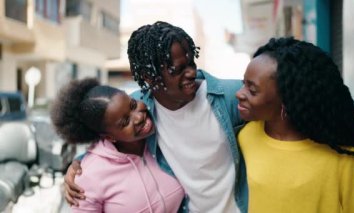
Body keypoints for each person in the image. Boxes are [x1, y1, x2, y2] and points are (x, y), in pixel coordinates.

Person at [63, 21, 248, 212]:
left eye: (191, 62)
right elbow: (108, 138)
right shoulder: (141, 108)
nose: (191, 72)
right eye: (177, 70)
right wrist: (77, 165)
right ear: (149, 77)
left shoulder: (229, 97)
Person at [236, 37, 354, 212]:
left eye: (252, 90)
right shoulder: (246, 136)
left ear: (287, 100)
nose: (239, 94)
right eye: (243, 83)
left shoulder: (342, 156)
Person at [50, 78, 185, 212]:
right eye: (125, 122)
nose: (138, 117)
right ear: (109, 137)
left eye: (133, 105)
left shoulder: (161, 133)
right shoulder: (88, 176)